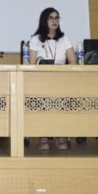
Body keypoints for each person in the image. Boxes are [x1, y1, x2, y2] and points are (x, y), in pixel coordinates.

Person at [28, 8, 77, 151]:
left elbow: (73, 61)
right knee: (42, 98)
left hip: (61, 79)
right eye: (51, 18)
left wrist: (63, 74)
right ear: (44, 20)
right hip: (41, 80)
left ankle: (61, 135)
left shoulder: (64, 39)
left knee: (62, 98)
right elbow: (32, 64)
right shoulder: (35, 40)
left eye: (57, 18)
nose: (54, 21)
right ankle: (43, 135)